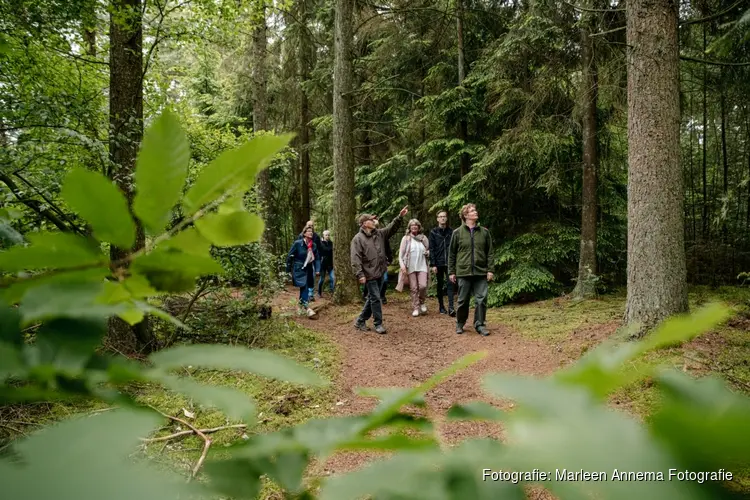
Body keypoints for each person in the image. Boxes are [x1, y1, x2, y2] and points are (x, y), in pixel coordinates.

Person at [351, 206, 409, 334]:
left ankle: (360, 320)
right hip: (369, 273)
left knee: (373, 297)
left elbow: (391, 228)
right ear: (365, 223)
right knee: (376, 298)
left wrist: (399, 217)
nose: (374, 221)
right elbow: (355, 259)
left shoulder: (380, 234)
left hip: (380, 272)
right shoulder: (358, 239)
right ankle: (378, 323)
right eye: (371, 220)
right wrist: (360, 274)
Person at [448, 203, 494, 336]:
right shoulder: (457, 233)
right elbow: (452, 254)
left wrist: (490, 270)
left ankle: (480, 324)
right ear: (465, 215)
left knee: (481, 299)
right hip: (463, 272)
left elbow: (490, 252)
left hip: (480, 271)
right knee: (463, 300)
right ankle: (460, 323)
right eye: (472, 211)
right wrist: (451, 271)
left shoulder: (484, 232)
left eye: (475, 209)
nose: (475, 212)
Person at [396, 219, 430, 317]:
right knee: (414, 288)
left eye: (416, 225)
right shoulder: (406, 238)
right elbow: (401, 254)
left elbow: (428, 250)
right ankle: (416, 307)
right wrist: (402, 265)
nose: (414, 227)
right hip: (410, 267)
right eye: (412, 225)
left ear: (419, 227)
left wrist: (428, 253)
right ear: (409, 227)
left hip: (422, 265)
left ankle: (422, 302)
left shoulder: (423, 238)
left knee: (423, 286)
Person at [287, 225, 320, 317]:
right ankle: (307, 307)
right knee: (304, 285)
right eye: (309, 231)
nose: (311, 233)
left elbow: (317, 258)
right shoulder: (297, 243)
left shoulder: (314, 245)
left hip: (309, 268)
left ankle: (301, 305)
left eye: (312, 231)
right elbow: (290, 256)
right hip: (299, 268)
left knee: (305, 286)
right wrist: (288, 270)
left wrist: (317, 269)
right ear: (304, 233)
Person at [428, 210, 455, 316]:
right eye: (440, 216)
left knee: (450, 284)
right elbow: (432, 248)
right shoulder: (433, 232)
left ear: (446, 218)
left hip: (449, 262)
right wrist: (433, 264)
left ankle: (451, 307)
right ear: (437, 219)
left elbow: (454, 248)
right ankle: (441, 306)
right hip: (438, 263)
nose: (443, 218)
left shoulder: (451, 232)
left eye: (444, 216)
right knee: (439, 285)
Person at [362, 216, 392, 304]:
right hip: (371, 265)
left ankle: (382, 296)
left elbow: (387, 248)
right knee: (371, 280)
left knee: (384, 280)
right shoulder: (364, 237)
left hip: (382, 263)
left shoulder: (382, 235)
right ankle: (366, 295)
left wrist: (389, 258)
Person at [297, 220, 322, 301]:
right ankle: (304, 294)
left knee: (312, 275)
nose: (311, 227)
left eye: (312, 226)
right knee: (304, 275)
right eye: (309, 225)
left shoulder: (316, 237)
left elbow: (319, 248)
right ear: (306, 226)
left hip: (314, 258)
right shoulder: (301, 235)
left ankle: (310, 293)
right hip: (304, 259)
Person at [317, 230, 335, 297]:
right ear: (323, 236)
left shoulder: (331, 243)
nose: (327, 236)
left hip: (330, 264)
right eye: (326, 235)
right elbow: (325, 249)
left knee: (333, 278)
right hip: (323, 264)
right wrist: (331, 249)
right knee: (322, 279)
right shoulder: (321, 243)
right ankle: (319, 293)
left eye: (328, 235)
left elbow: (332, 251)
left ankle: (332, 292)